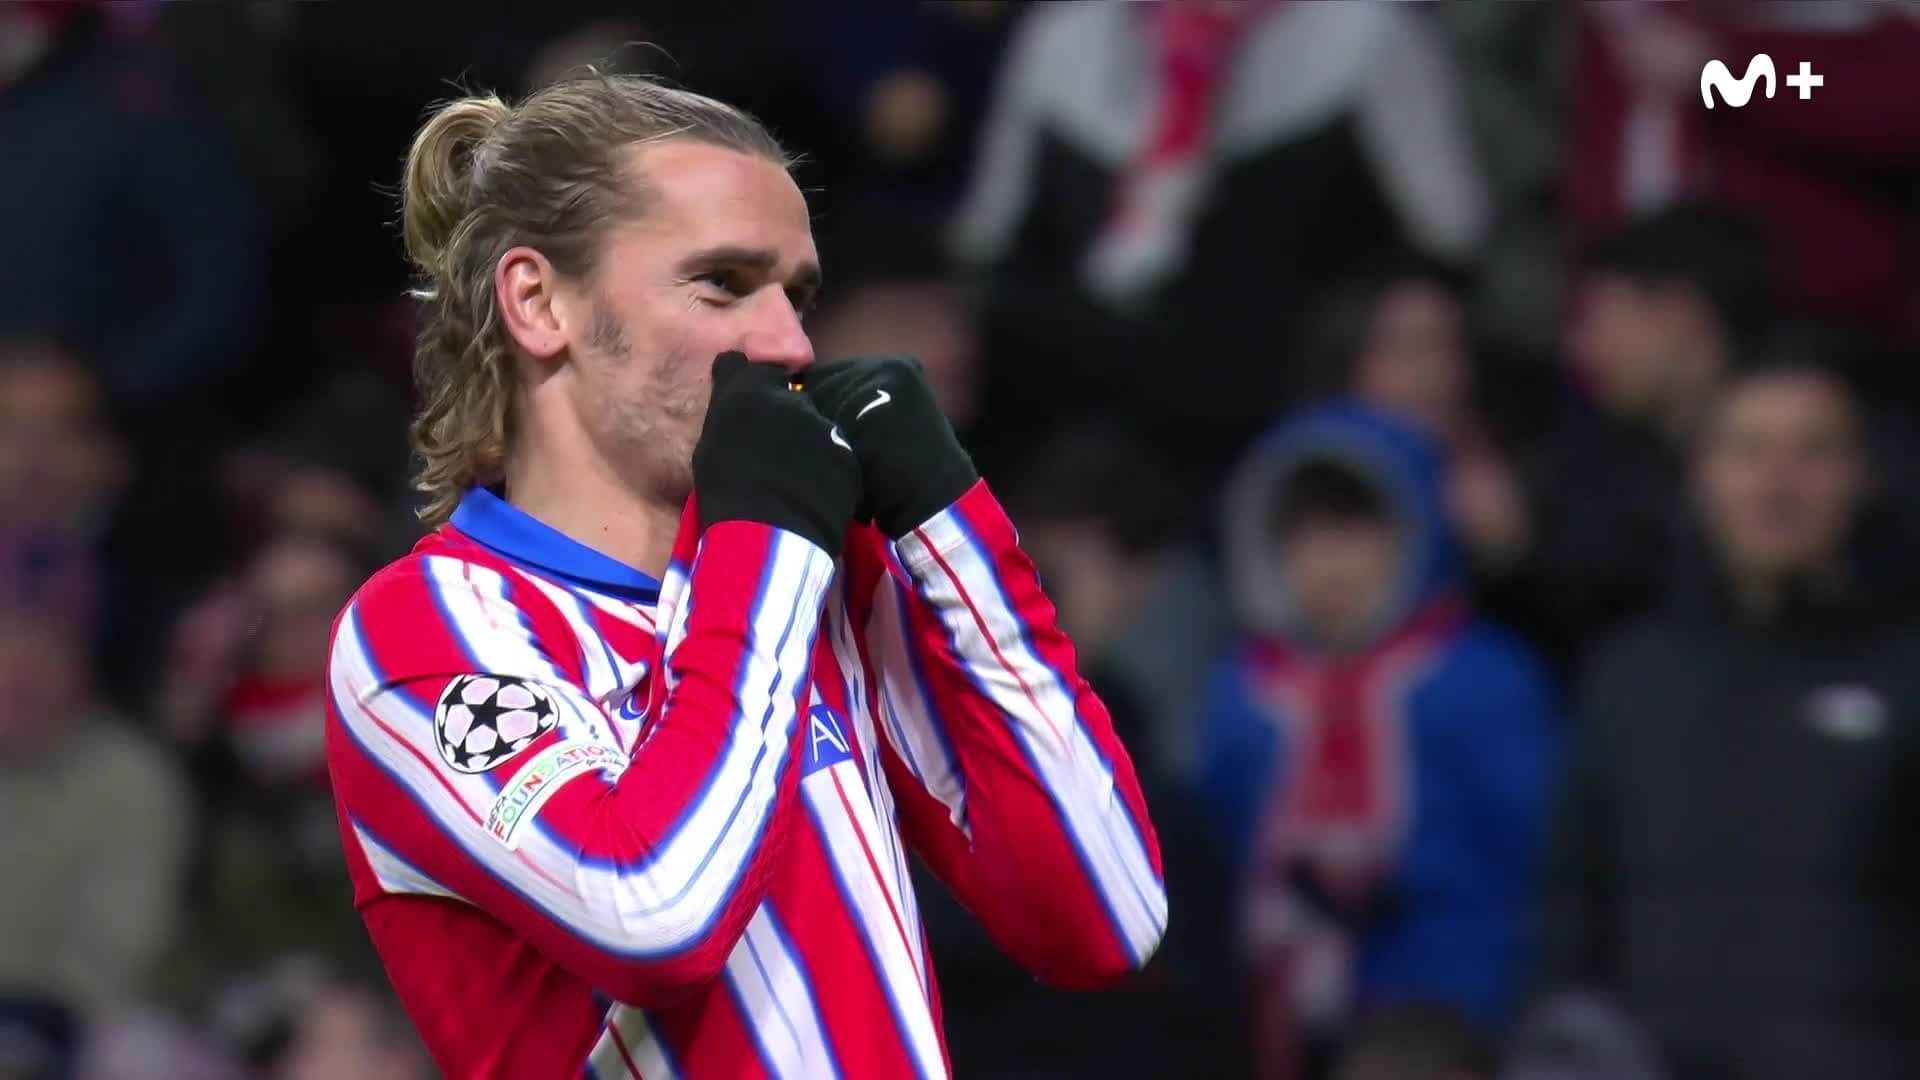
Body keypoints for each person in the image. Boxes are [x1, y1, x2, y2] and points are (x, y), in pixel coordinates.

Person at [323, 74, 1166, 1078]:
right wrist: (765, 541)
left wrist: (953, 529)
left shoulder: (824, 576)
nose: (791, 345)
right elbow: (654, 914)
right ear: (540, 303)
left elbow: (1107, 917)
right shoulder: (422, 632)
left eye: (797, 296)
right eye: (722, 283)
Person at [1537, 357, 1920, 1080]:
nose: (1777, 484)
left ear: (1862, 477)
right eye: (1748, 452)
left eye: (1813, 453)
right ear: (1702, 476)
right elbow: (1568, 917)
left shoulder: (1906, 676)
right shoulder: (1630, 676)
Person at [1199, 405, 1559, 1078]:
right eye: (1304, 536)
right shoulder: (1243, 691)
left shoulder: (1484, 676)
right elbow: (1221, 843)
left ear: (1418, 532)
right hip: (1276, 1017)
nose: (1331, 561)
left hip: (1455, 1018)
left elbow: (1538, 852)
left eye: (1357, 531)